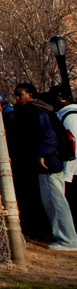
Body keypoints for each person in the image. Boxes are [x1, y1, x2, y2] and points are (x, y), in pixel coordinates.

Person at [2, 83, 77, 249]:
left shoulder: (38, 111)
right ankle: (64, 237)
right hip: (47, 164)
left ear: (30, 94)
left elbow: (49, 137)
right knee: (51, 200)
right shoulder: (38, 110)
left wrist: (42, 154)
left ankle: (68, 239)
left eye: (20, 94)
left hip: (49, 164)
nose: (17, 98)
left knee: (56, 200)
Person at [55, 88, 77, 221]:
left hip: (74, 171)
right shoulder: (65, 115)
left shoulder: (71, 117)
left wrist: (68, 173)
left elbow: (74, 145)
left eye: (53, 98)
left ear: (63, 98)